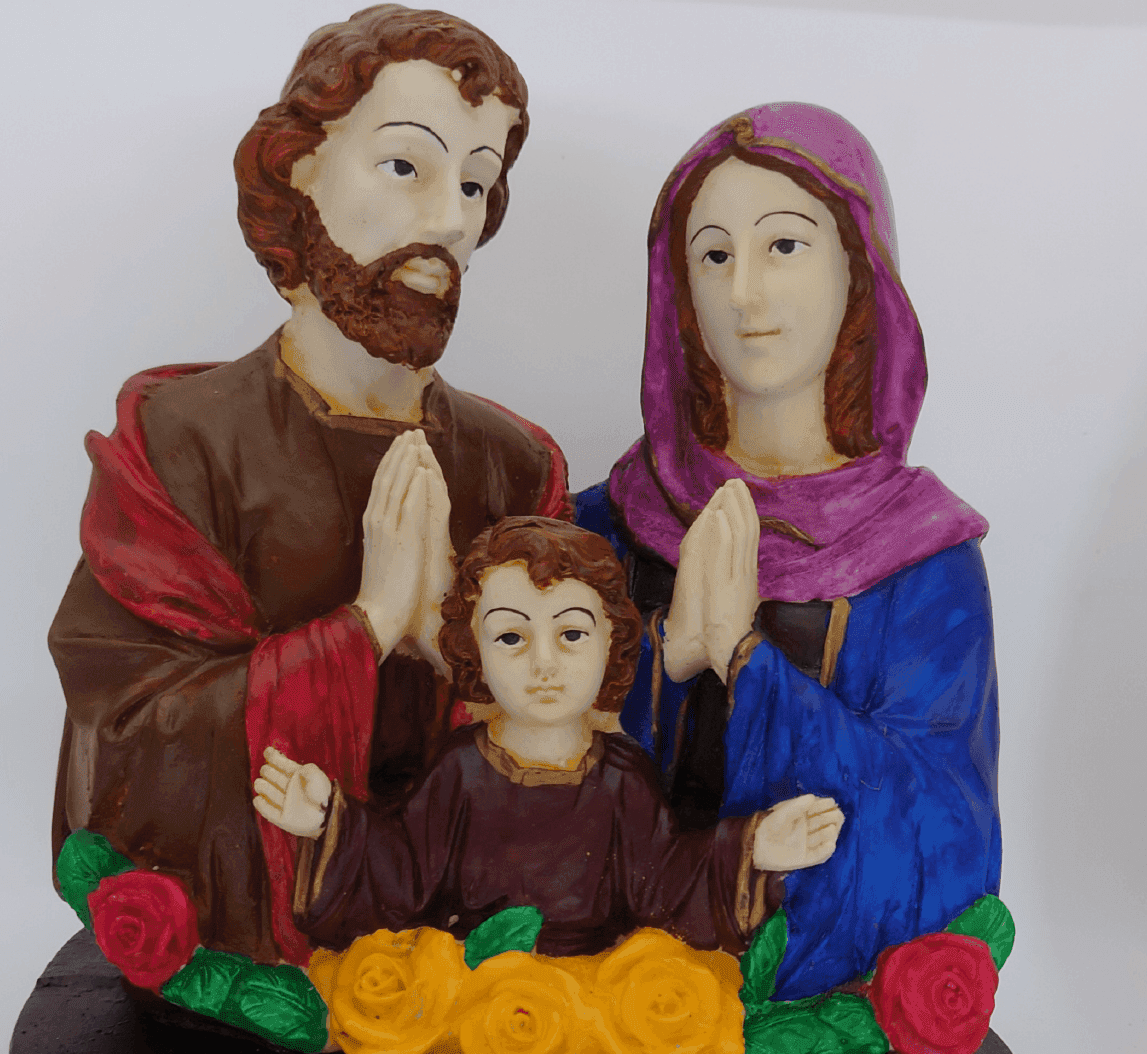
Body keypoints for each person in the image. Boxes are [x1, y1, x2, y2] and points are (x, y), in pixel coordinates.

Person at [49, 6, 568, 969]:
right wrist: (364, 630)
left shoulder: (516, 468)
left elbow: (575, 747)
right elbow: (126, 733)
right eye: (406, 166)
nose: (449, 220)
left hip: (452, 950)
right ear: (296, 170)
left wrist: (456, 650)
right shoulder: (181, 442)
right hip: (254, 924)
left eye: (474, 182)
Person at [575, 104, 999, 999]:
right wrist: (662, 658)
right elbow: (498, 775)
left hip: (798, 983)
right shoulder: (605, 525)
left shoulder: (921, 562)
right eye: (713, 255)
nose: (743, 293)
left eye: (783, 246)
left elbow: (947, 841)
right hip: (596, 971)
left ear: (858, 270)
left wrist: (744, 660)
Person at [251, 517, 843, 957]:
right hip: (473, 980)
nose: (544, 665)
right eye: (511, 637)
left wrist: (754, 847)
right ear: (474, 650)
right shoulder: (460, 769)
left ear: (611, 643)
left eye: (571, 635)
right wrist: (327, 821)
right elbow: (403, 875)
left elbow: (665, 884)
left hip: (596, 982)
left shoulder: (622, 776)